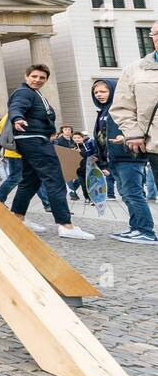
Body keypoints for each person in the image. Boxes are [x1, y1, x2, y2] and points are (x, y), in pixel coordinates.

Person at [8, 64, 91, 239]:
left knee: (30, 180)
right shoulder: (24, 93)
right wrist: (18, 118)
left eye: (42, 78)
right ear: (26, 76)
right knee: (55, 179)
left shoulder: (34, 94)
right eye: (34, 76)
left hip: (32, 140)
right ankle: (65, 225)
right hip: (34, 140)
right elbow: (16, 107)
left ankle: (16, 218)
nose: (37, 80)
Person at [107, 22, 158, 243]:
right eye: (157, 33)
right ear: (152, 37)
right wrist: (133, 133)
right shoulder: (135, 69)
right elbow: (122, 107)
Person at [87, 79, 154, 244]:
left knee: (134, 193)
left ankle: (147, 231)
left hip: (130, 157)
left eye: (103, 91)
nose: (99, 95)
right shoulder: (103, 111)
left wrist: (125, 138)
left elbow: (141, 128)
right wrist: (100, 157)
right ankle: (135, 227)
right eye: (96, 92)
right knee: (126, 195)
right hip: (116, 159)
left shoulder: (124, 109)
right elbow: (102, 138)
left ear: (114, 90)